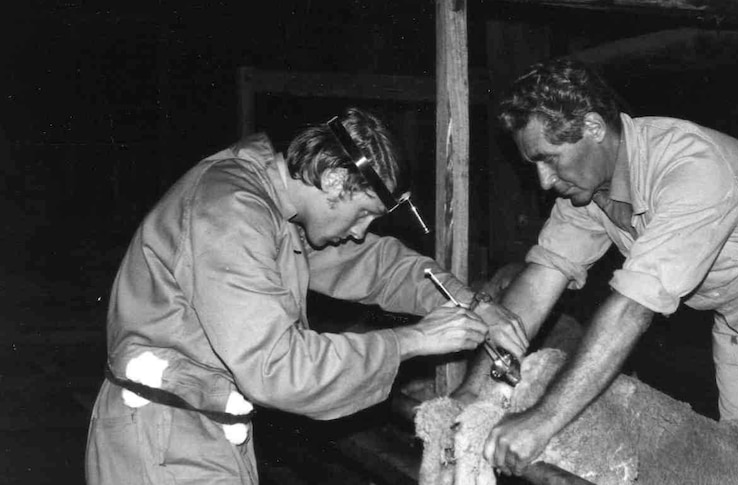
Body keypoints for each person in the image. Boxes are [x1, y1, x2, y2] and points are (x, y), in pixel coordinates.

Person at [469, 57, 738, 484]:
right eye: (535, 165)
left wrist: (541, 421)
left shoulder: (691, 167)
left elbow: (632, 310)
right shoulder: (585, 194)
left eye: (551, 159)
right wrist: (470, 399)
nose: (544, 181)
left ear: (594, 129)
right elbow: (540, 281)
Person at [85, 107, 528, 484]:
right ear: (335, 180)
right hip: (164, 435)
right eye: (363, 216)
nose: (359, 233)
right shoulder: (230, 211)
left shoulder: (277, 213)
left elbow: (381, 265)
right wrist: (413, 341)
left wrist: (473, 303)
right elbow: (279, 368)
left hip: (201, 431)